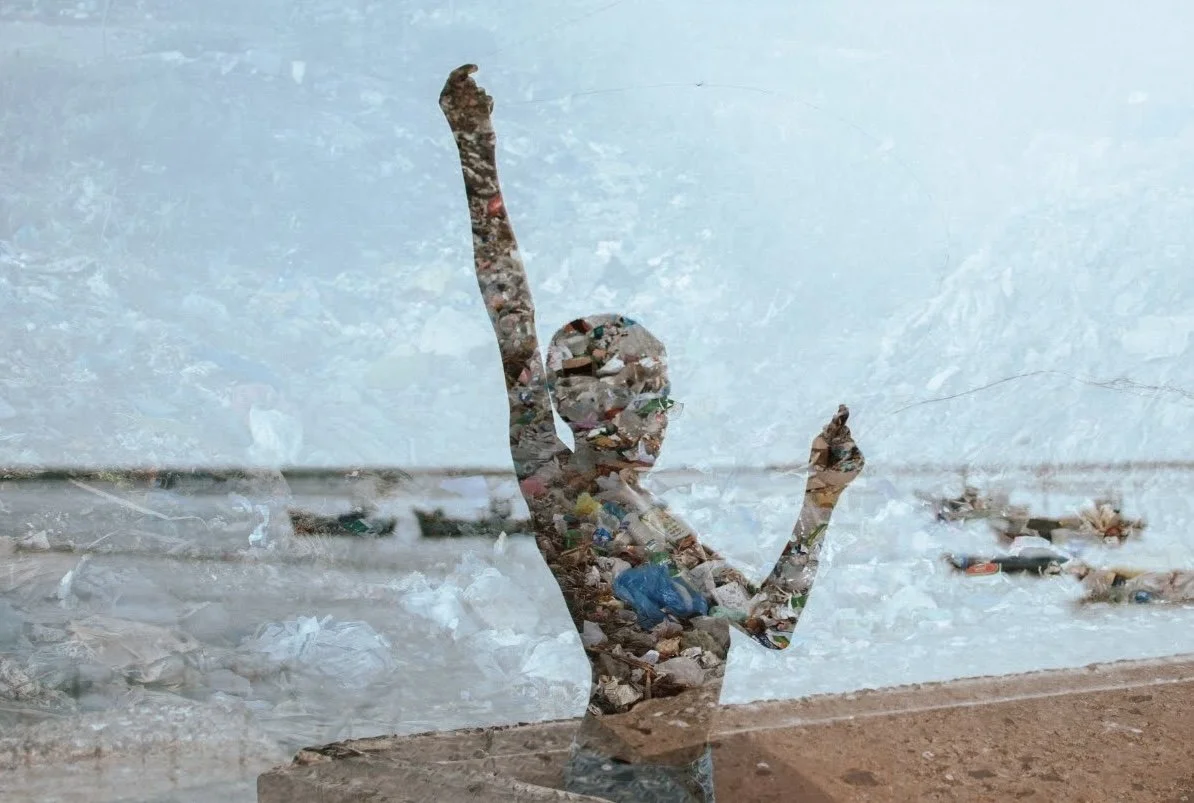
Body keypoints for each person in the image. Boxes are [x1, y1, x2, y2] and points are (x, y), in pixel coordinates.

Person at [439, 64, 865, 802]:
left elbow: (511, 314)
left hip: (620, 763)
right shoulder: (650, 533)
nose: (666, 411)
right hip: (654, 780)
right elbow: (773, 623)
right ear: (617, 406)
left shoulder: (549, 480)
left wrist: (476, 148)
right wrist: (822, 498)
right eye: (655, 393)